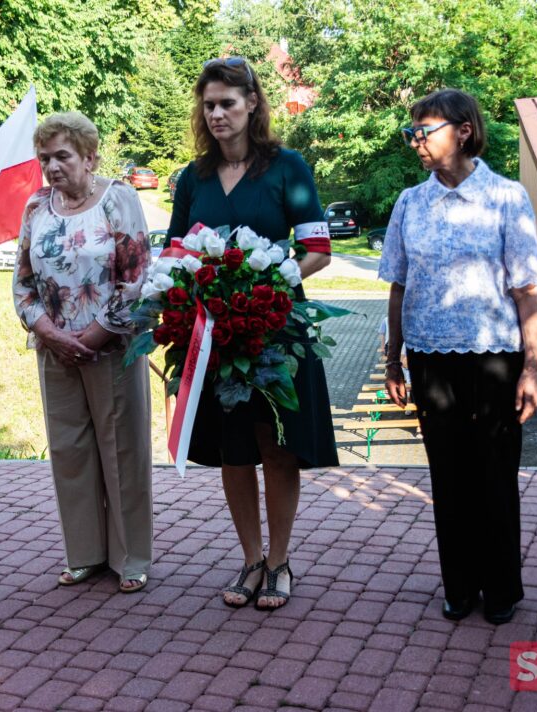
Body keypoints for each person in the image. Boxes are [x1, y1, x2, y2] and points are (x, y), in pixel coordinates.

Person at [167, 58, 337, 610]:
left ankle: (281, 561)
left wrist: (267, 278)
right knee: (233, 448)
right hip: (214, 332)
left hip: (276, 326)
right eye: (209, 105)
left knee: (277, 445)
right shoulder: (191, 178)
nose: (217, 114)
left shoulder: (288, 167)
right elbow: (175, 252)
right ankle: (250, 559)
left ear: (253, 104)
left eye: (227, 104)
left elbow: (316, 250)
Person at [380, 89, 537, 625]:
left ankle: (501, 587)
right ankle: (460, 584)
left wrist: (533, 367)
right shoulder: (410, 202)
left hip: (495, 360)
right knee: (448, 476)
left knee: (494, 473)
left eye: (424, 130)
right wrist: (392, 360)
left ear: (465, 131)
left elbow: (528, 292)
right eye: (412, 133)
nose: (416, 142)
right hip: (431, 362)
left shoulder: (506, 198)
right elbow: (398, 287)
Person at [13, 112, 154, 593]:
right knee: (70, 451)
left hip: (110, 347)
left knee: (122, 449)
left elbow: (136, 279)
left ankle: (130, 557)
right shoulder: (36, 206)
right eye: (45, 158)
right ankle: (85, 554)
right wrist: (51, 333)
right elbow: (23, 286)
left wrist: (92, 335)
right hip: (55, 349)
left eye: (62, 156)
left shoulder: (118, 198)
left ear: (90, 156)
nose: (52, 167)